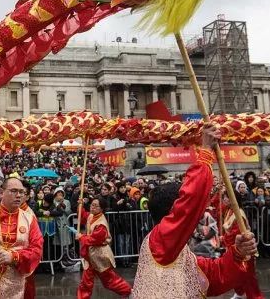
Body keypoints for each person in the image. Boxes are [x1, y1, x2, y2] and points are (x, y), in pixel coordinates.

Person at [131, 126, 259, 298]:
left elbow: (214, 275)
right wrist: (205, 151)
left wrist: (237, 253)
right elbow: (191, 201)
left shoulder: (177, 250)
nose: (199, 212)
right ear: (173, 211)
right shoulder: (160, 241)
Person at [74, 197, 131, 299]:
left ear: (102, 209)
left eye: (96, 206)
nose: (93, 207)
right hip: (90, 256)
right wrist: (80, 205)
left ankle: (127, 291)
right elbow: (83, 217)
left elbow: (95, 239)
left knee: (109, 280)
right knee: (86, 282)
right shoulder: (92, 216)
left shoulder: (101, 224)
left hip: (100, 255)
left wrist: (81, 237)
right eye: (92, 204)